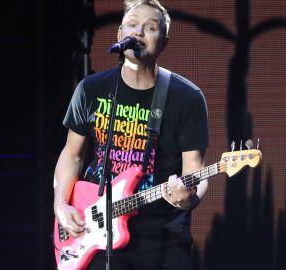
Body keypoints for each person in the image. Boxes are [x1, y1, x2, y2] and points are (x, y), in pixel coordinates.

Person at [53, 0, 209, 269]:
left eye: (150, 27)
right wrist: (61, 205)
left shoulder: (187, 98)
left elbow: (195, 170)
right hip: (97, 230)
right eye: (132, 24)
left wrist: (188, 198)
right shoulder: (91, 89)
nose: (138, 32)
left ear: (164, 42)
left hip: (163, 237)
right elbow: (72, 154)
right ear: (119, 35)